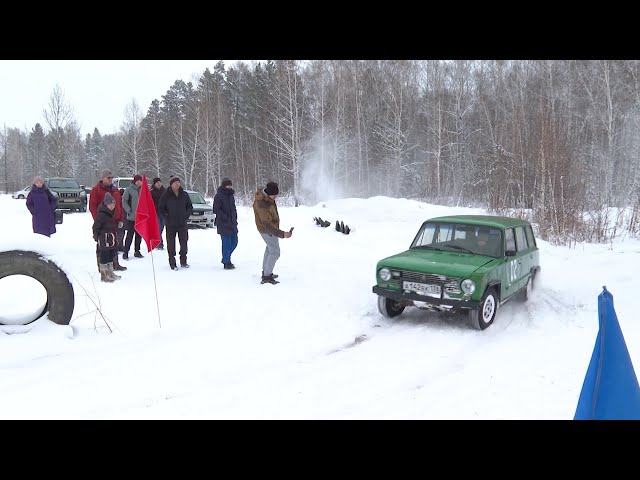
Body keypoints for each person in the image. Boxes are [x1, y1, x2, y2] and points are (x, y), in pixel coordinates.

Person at [252, 181, 292, 285]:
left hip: (269, 228)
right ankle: (266, 276)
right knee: (275, 252)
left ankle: (266, 272)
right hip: (267, 230)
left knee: (270, 249)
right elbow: (267, 225)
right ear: (269, 193)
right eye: (274, 195)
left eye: (276, 195)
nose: (275, 197)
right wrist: (283, 234)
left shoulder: (267, 198)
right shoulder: (263, 204)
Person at [89, 169, 127, 273]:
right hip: (103, 221)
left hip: (114, 221)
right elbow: (92, 206)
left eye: (111, 177)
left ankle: (114, 263)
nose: (110, 179)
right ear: (103, 178)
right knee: (103, 244)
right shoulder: (96, 190)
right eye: (108, 177)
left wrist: (120, 218)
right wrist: (98, 220)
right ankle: (102, 267)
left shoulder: (115, 190)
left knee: (114, 243)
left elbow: (119, 204)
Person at [158, 176, 193, 270]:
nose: (177, 184)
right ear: (171, 184)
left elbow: (190, 207)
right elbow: (161, 208)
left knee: (184, 243)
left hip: (182, 224)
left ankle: (183, 261)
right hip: (170, 224)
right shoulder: (166, 195)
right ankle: (172, 263)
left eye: (178, 182)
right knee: (171, 244)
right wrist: (166, 216)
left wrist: (186, 215)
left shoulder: (184, 194)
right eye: (175, 183)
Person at [92, 193, 121, 283]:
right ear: (106, 204)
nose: (112, 206)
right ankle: (104, 275)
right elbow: (96, 227)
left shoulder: (111, 214)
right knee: (104, 257)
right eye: (110, 204)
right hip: (104, 239)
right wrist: (97, 237)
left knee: (110, 256)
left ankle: (110, 272)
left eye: (113, 204)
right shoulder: (101, 215)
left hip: (111, 239)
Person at [213, 177, 238, 270]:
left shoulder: (231, 195)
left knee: (235, 242)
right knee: (226, 244)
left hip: (232, 223)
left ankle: (225, 258)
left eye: (230, 185)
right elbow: (216, 209)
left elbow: (233, 208)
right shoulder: (218, 196)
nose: (229, 187)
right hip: (223, 223)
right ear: (224, 186)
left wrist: (234, 218)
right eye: (227, 185)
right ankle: (227, 262)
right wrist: (225, 217)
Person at [122, 174, 144, 260]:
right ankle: (126, 252)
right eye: (138, 180)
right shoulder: (129, 190)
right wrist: (129, 210)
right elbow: (124, 201)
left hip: (141, 217)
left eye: (140, 180)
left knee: (139, 236)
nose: (139, 182)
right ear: (134, 181)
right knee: (130, 236)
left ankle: (137, 251)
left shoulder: (143, 190)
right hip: (131, 217)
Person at [150, 177, 166, 250]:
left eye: (160, 182)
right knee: (158, 227)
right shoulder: (152, 192)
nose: (159, 184)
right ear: (154, 184)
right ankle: (159, 243)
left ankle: (156, 239)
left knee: (161, 227)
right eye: (157, 183)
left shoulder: (165, 191)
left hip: (163, 212)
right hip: (155, 212)